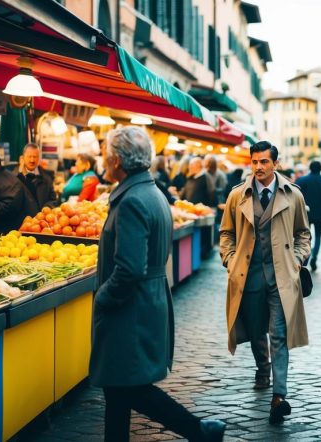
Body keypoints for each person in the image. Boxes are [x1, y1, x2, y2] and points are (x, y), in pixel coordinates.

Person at [89, 126, 225, 442]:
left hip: (129, 310)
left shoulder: (132, 201)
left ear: (118, 160)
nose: (105, 160)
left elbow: (129, 268)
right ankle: (200, 432)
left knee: (129, 387)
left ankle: (200, 431)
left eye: (107, 154)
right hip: (142, 303)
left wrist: (103, 298)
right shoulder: (150, 192)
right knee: (119, 389)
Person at [220, 141, 311, 425]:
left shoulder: (293, 195)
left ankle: (279, 396)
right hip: (248, 275)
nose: (258, 167)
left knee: (279, 334)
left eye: (264, 162)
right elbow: (226, 234)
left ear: (275, 164)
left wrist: (297, 260)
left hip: (281, 276)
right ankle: (263, 368)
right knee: (256, 328)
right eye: (255, 162)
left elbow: (303, 234)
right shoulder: (237, 196)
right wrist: (230, 260)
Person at [295, 160, 321, 271]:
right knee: (318, 236)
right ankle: (315, 256)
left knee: (305, 237)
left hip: (305, 213)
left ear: (310, 168)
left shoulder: (302, 180)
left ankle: (305, 257)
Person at [18, 143, 57, 212]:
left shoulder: (47, 177)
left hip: (42, 220)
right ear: (23, 158)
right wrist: (20, 173)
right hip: (22, 221)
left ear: (39, 158)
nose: (32, 160)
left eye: (35, 157)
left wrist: (46, 208)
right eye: (29, 156)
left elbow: (53, 199)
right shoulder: (14, 178)